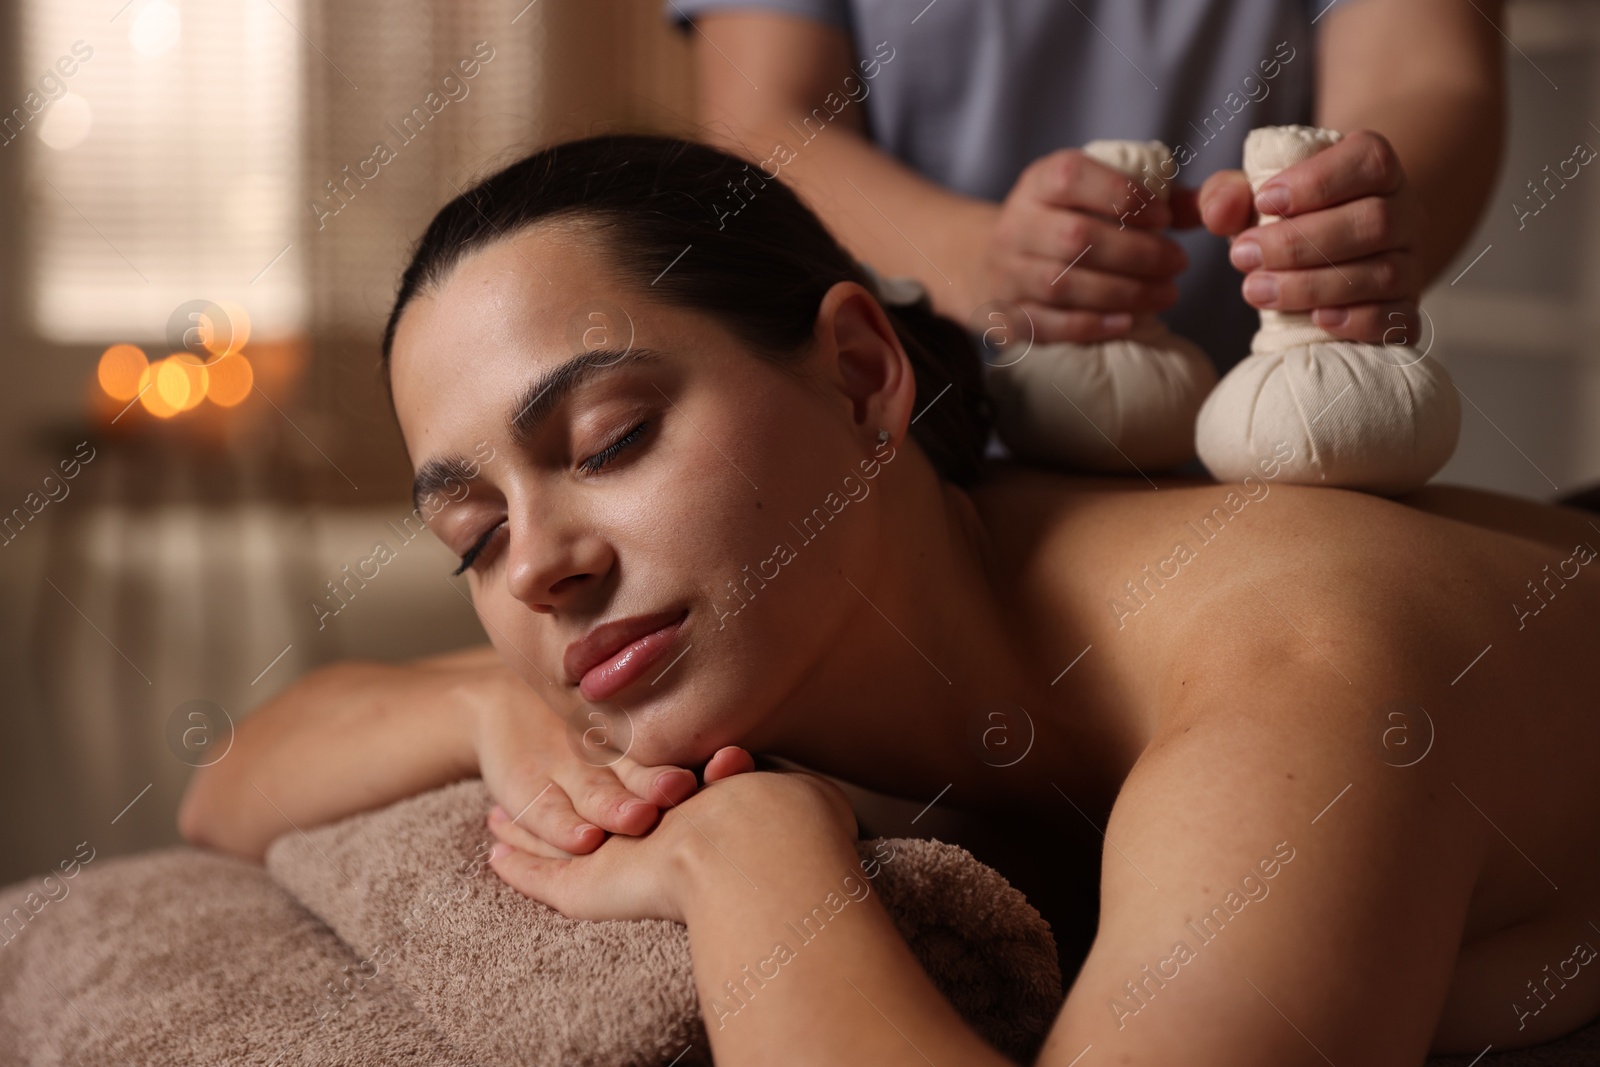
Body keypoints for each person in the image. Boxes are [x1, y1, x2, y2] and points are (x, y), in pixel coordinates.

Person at [179, 134, 1600, 1062]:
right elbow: (229, 785)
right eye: (473, 532)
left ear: (863, 376)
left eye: (609, 441)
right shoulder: (763, 606)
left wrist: (755, 870)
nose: (542, 560)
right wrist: (491, 701)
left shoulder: (1296, 677)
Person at [665, 0, 1506, 385]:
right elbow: (770, 125)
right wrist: (980, 263)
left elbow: (1429, 73)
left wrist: (1360, 220)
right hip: (916, 449)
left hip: (1253, 456)